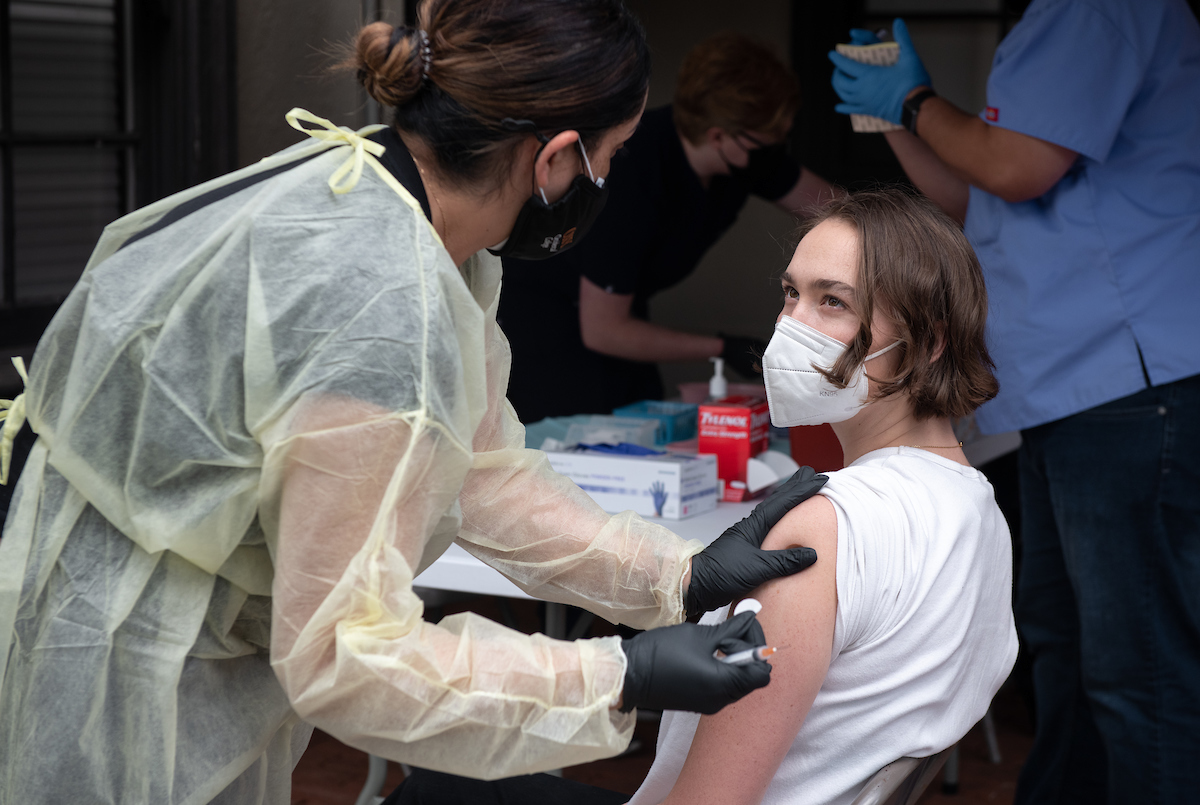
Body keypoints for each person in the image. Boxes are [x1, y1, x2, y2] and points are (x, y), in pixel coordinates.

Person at [0, 4, 831, 803]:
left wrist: (676, 574)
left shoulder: (407, 212)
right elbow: (346, 655)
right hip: (127, 659)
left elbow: (480, 471)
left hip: (182, 622)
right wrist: (616, 676)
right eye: (609, 155)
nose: (605, 181)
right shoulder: (378, 300)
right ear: (554, 158)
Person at [390, 188, 1018, 805]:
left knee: (433, 794)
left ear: (929, 342)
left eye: (833, 302)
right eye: (791, 293)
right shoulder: (979, 509)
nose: (791, 326)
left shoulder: (819, 531)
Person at [829, 4, 1200, 803]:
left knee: (1136, 670)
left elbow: (1015, 167)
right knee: (1064, 647)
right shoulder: (1052, 21)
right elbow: (974, 199)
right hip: (1075, 394)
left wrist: (915, 100)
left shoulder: (1099, 7)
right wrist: (891, 117)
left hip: (1129, 383)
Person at [497, 32, 838, 423]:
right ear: (718, 135)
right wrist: (723, 347)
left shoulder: (746, 156)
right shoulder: (635, 175)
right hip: (551, 324)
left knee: (645, 415)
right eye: (769, 143)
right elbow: (605, 330)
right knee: (589, 437)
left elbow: (844, 215)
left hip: (621, 313)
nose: (777, 152)